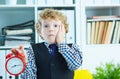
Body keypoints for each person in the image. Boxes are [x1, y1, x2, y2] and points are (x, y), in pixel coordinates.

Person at [11, 8, 83, 79]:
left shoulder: (73, 47)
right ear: (40, 32)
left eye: (55, 26)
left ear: (64, 29)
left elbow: (75, 65)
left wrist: (61, 43)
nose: (51, 29)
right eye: (46, 26)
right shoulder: (32, 50)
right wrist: (25, 63)